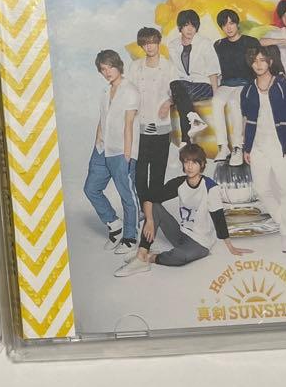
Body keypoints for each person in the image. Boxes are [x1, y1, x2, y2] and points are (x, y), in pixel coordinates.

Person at [115, 143, 251, 275]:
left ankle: (149, 257)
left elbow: (219, 219)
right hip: (181, 234)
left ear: (202, 164)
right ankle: (141, 256)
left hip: (200, 242)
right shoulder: (179, 183)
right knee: (154, 207)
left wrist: (230, 247)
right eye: (186, 162)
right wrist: (150, 220)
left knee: (180, 257)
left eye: (194, 162)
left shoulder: (210, 187)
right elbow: (150, 198)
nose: (189, 166)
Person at [83, 50, 140, 254]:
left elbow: (129, 124)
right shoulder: (105, 92)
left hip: (121, 149)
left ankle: (130, 236)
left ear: (118, 66)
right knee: (91, 188)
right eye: (103, 69)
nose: (107, 72)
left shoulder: (130, 91)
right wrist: (97, 141)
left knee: (127, 195)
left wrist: (128, 154)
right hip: (102, 148)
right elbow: (103, 118)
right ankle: (115, 225)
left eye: (110, 67)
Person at [241, 45, 286, 250]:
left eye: (262, 60)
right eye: (254, 61)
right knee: (262, 189)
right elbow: (246, 120)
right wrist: (246, 147)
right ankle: (284, 223)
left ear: (269, 61)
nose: (258, 64)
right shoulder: (248, 89)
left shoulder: (283, 84)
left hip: (280, 144)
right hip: (257, 146)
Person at [125, 27, 177, 207]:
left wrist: (169, 102)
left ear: (158, 42)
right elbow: (128, 93)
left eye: (153, 42)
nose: (150, 47)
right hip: (139, 128)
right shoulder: (135, 67)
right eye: (146, 43)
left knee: (157, 173)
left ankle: (154, 212)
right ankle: (142, 208)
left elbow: (177, 92)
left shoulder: (169, 67)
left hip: (161, 127)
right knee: (139, 173)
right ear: (141, 46)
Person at [212, 8, 262, 164]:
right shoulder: (219, 45)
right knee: (216, 101)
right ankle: (223, 146)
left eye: (231, 23)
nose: (228, 27)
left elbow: (260, 60)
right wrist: (216, 87)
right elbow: (213, 68)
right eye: (224, 24)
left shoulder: (250, 42)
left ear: (237, 24)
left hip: (245, 83)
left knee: (235, 102)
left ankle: (237, 147)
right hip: (226, 83)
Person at [167, 9, 221, 140]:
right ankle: (192, 125)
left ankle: (185, 139)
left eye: (193, 25)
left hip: (204, 84)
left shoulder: (204, 43)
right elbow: (173, 71)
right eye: (186, 25)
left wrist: (216, 94)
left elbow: (213, 69)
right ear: (180, 27)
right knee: (177, 88)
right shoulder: (173, 45)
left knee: (179, 94)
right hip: (183, 85)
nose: (190, 29)